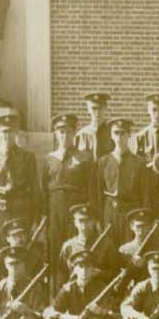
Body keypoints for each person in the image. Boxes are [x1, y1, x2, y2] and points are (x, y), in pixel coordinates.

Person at [41, 113, 98, 283]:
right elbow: (43, 190)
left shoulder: (85, 158)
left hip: (76, 211)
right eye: (61, 132)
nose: (64, 136)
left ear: (74, 134)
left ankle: (76, 288)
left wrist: (92, 217)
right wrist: (43, 216)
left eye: (68, 132)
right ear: (56, 134)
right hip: (55, 212)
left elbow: (92, 189)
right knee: (55, 252)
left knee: (76, 250)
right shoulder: (49, 159)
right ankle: (57, 292)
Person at [0, 112, 40, 253]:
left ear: (16, 133)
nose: (7, 136)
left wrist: (35, 219)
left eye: (11, 132)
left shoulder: (27, 157)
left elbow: (35, 188)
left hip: (21, 209)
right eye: (4, 132)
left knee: (20, 247)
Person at [97, 117, 152, 246]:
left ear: (129, 135)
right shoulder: (103, 161)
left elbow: (145, 194)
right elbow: (98, 193)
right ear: (111, 135)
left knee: (129, 248)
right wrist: (98, 218)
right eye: (116, 133)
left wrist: (144, 218)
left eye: (123, 133)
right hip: (110, 212)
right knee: (109, 248)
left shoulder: (138, 162)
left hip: (131, 212)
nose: (119, 137)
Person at [134, 92, 159, 162]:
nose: (157, 114)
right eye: (154, 110)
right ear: (148, 110)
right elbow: (138, 163)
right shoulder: (141, 136)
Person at [76, 91, 113, 161]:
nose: (97, 112)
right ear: (88, 109)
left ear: (106, 108)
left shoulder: (113, 133)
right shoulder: (81, 134)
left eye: (100, 108)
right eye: (94, 108)